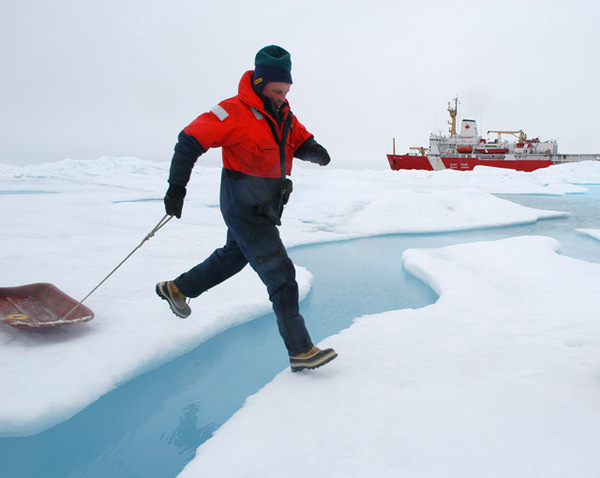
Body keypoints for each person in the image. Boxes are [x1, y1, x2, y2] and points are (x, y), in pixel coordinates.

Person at [156, 45, 337, 372]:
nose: (283, 96)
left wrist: (314, 150)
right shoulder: (232, 111)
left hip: (267, 203)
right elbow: (188, 141)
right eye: (277, 90)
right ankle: (301, 350)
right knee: (281, 275)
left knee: (233, 257)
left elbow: (297, 139)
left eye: (287, 90)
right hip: (243, 204)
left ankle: (177, 289)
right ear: (260, 83)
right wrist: (176, 187)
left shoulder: (283, 114)